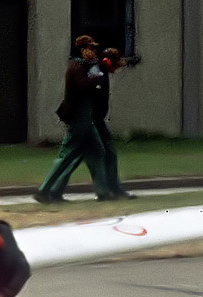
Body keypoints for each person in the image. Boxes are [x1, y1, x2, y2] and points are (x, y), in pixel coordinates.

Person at [34, 35, 132, 203]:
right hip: (79, 119)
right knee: (67, 156)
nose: (94, 52)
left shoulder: (84, 66)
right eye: (91, 49)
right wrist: (95, 78)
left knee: (97, 151)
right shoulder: (77, 66)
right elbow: (81, 87)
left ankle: (102, 193)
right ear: (82, 49)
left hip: (86, 119)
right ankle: (44, 191)